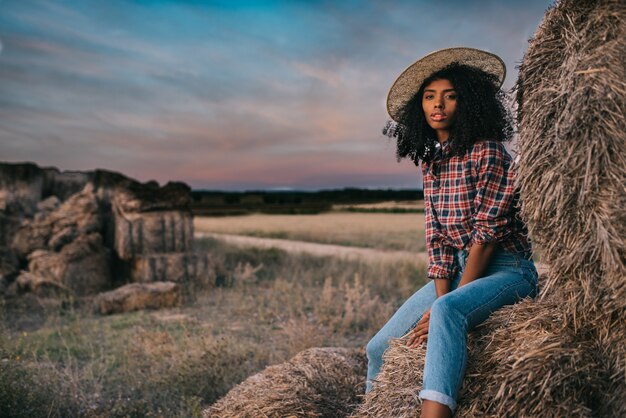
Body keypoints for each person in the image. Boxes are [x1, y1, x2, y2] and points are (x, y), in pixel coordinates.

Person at [365, 47, 538, 418]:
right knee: (378, 348)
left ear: (469, 101)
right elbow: (439, 243)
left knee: (447, 312)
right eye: (429, 97)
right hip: (458, 270)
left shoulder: (487, 152)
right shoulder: (431, 165)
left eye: (449, 95)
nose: (437, 104)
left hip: (507, 270)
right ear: (419, 109)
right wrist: (436, 304)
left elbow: (486, 238)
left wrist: (443, 307)